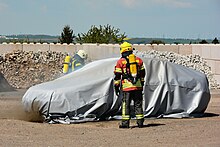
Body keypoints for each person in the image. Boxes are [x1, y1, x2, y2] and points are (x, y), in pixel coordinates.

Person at [114, 42, 146, 128]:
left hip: (127, 87)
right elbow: (143, 73)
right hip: (138, 86)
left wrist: (116, 86)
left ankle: (125, 124)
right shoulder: (139, 60)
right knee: (138, 104)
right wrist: (142, 83)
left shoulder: (121, 61)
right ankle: (140, 122)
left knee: (126, 105)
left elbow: (117, 75)